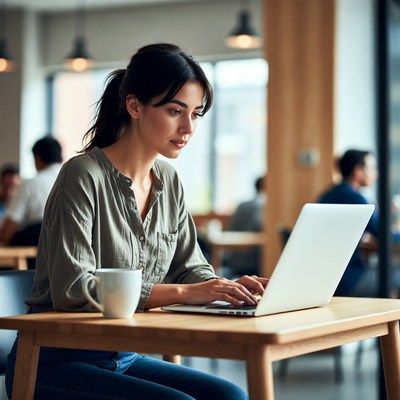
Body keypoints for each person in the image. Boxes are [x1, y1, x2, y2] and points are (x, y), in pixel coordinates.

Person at [6, 43, 267, 400]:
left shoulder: (169, 179)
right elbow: (74, 289)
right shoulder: (82, 174)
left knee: (229, 395)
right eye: (176, 111)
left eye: (196, 113)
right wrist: (187, 293)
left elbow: (191, 268)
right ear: (134, 106)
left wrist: (227, 289)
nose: (188, 127)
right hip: (54, 360)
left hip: (124, 355)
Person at [317, 149, 400, 295]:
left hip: (324, 277)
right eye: (372, 168)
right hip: (347, 279)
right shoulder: (356, 199)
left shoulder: (329, 194)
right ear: (358, 172)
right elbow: (384, 234)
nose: (376, 174)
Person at [0, 136, 62, 245]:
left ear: (37, 158)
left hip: (35, 253)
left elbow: (8, 232)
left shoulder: (30, 184)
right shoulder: (74, 180)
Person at [223, 175, 266, 277]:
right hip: (251, 261)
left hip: (233, 257)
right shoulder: (260, 206)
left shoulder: (242, 204)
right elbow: (259, 227)